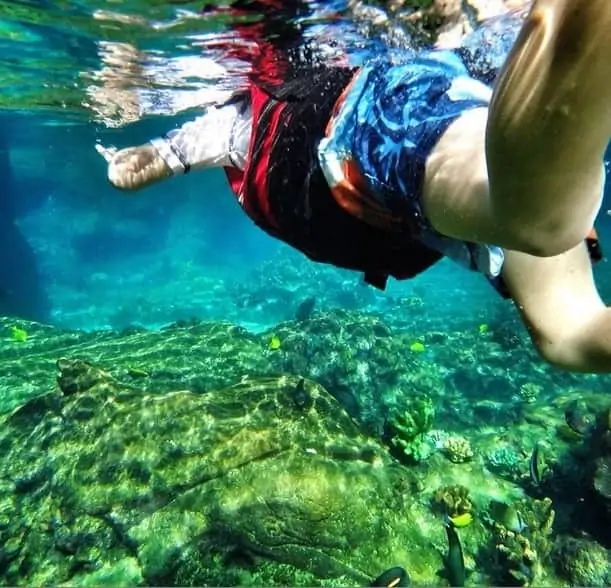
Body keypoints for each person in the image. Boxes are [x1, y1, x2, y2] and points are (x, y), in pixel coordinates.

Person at [100, 0, 611, 374]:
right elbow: (163, 158)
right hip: (435, 147)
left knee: (534, 222)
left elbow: (167, 156)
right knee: (569, 334)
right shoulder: (250, 118)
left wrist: (139, 163)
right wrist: (143, 163)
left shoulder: (241, 120)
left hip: (372, 127)